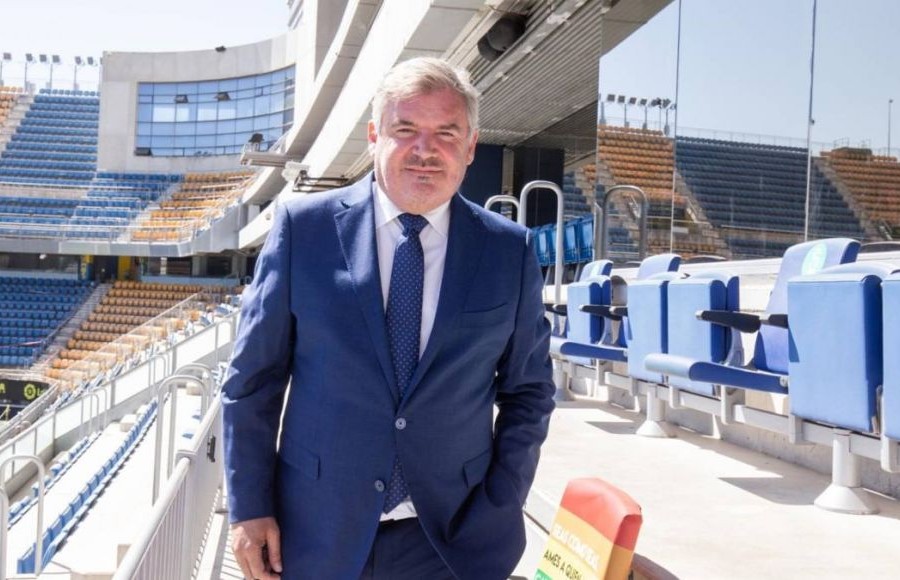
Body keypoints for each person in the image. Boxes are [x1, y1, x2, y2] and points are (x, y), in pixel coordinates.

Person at [222, 56, 555, 580]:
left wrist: (503, 499)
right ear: (375, 136)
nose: (426, 149)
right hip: (313, 533)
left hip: (452, 540)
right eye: (406, 129)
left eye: (447, 132)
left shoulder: (509, 251)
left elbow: (529, 392)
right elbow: (253, 383)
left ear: (470, 146)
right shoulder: (302, 230)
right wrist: (248, 505)